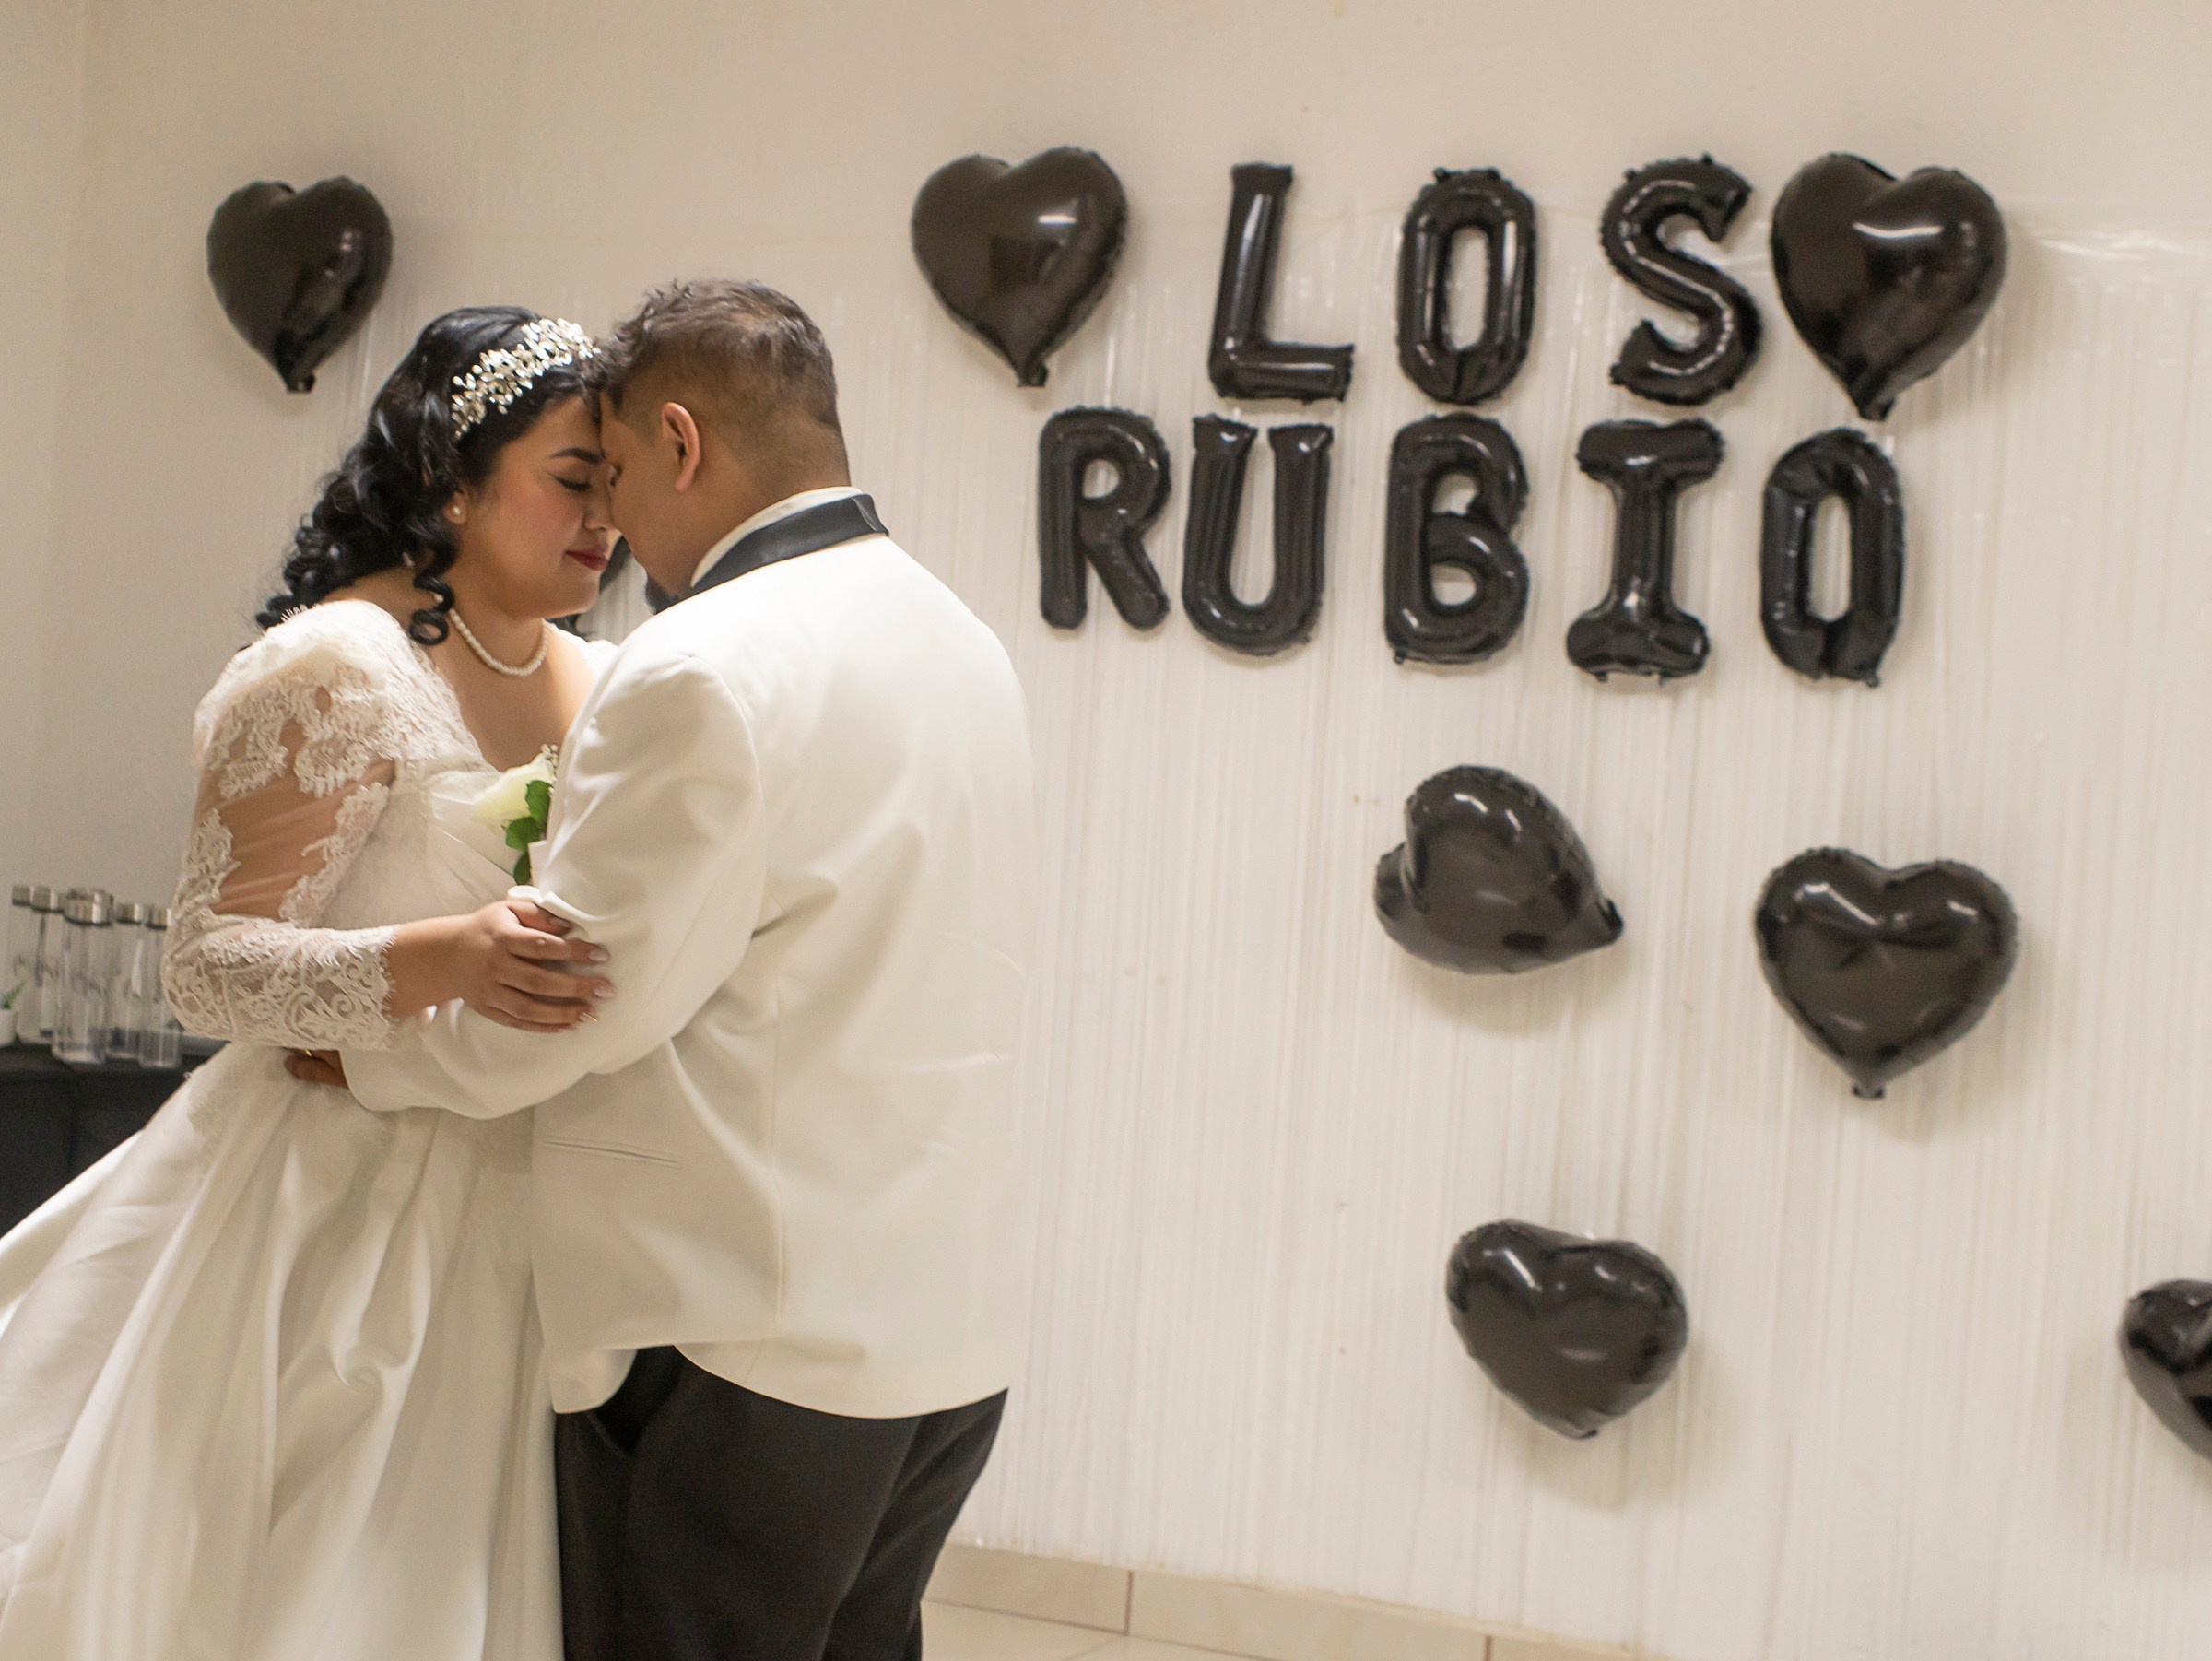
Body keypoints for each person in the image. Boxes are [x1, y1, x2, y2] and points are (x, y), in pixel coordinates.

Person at [297, 278, 1041, 1661]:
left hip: (744, 1347)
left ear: (683, 445)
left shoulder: (703, 660)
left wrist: (363, 1046)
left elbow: (576, 1000)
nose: (613, 527)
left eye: (620, 473)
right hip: (943, 1336)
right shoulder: (963, 642)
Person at [0, 307, 619, 1659]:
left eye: (616, 490)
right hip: (320, 1206)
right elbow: (207, 966)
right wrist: (442, 960)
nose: (604, 525)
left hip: (522, 1206)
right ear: (455, 475)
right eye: (575, 481)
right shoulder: (339, 665)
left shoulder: (610, 684)